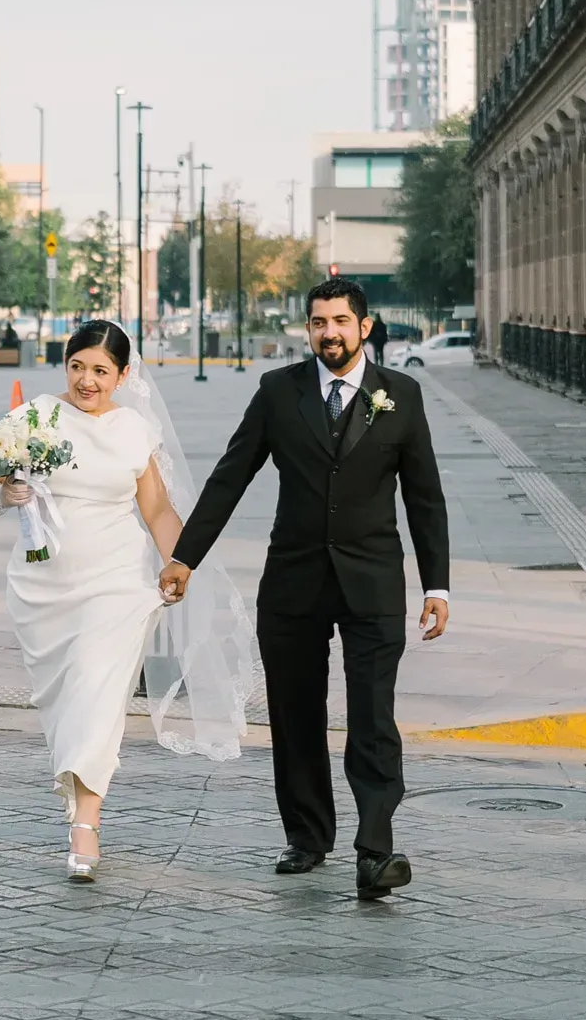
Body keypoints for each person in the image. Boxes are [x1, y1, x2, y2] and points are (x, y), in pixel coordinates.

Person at [164, 279, 449, 900]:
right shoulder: (278, 392)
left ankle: (376, 851)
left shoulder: (401, 395)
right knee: (296, 715)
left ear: (364, 328)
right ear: (308, 330)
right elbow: (230, 476)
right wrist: (185, 556)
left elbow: (425, 498)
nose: (329, 333)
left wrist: (438, 587)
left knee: (373, 718)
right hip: (292, 582)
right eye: (319, 322)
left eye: (341, 321)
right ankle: (308, 835)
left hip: (372, 583)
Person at [0, 319, 248, 883]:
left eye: (101, 371)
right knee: (66, 703)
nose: (86, 380)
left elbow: (155, 509)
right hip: (43, 586)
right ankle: (76, 793)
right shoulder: (36, 417)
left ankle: (86, 822)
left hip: (118, 580)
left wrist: (180, 561)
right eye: (77, 366)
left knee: (98, 694)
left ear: (123, 376)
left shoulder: (134, 429)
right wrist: (3, 494)